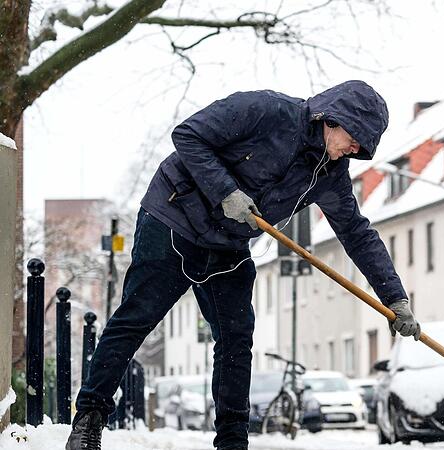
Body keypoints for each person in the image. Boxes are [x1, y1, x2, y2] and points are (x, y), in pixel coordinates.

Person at [66, 80, 420, 450]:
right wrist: (226, 191)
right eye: (356, 138)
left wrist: (395, 298)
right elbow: (188, 135)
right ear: (334, 119)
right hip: (174, 217)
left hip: (228, 244)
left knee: (236, 338)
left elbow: (357, 234)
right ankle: (88, 421)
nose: (356, 149)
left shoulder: (330, 176)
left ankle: (232, 443)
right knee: (136, 319)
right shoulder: (266, 111)